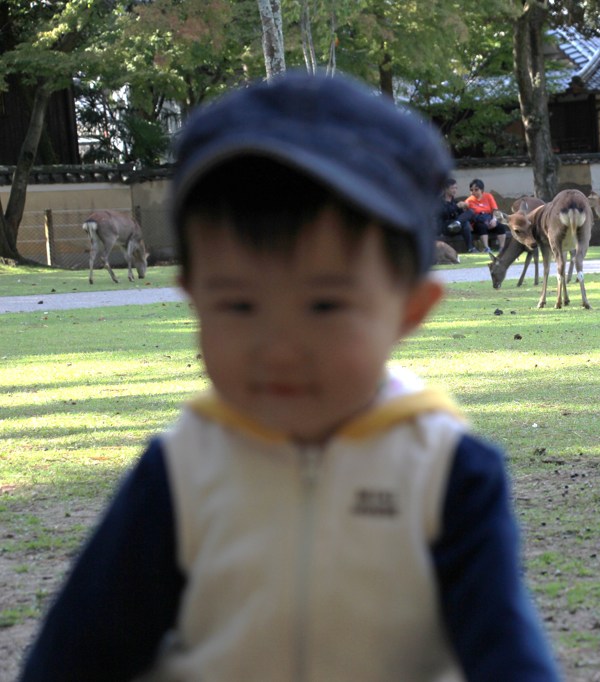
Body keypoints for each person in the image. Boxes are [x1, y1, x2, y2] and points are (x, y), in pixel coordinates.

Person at [19, 73, 561, 682]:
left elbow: (506, 658)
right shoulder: (180, 473)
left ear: (410, 311)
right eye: (238, 306)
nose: (278, 350)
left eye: (325, 306)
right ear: (194, 300)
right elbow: (74, 655)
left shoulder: (446, 473)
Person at [457, 178, 507, 254]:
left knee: (500, 226)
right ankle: (487, 248)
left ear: (482, 190)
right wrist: (462, 205)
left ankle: (502, 248)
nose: (473, 192)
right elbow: (465, 207)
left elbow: (495, 210)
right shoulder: (469, 200)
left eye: (476, 190)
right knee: (481, 227)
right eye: (471, 190)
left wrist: (494, 219)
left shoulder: (488, 196)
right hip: (478, 222)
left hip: (490, 220)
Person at [439, 177, 476, 252]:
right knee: (464, 224)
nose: (454, 190)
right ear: (446, 189)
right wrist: (456, 207)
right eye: (452, 188)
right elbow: (442, 214)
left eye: (456, 188)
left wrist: (465, 209)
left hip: (456, 227)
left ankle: (470, 248)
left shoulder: (455, 202)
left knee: (470, 213)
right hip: (445, 227)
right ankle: (471, 248)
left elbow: (463, 216)